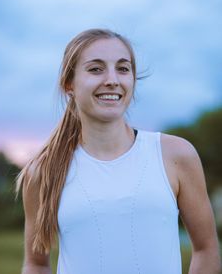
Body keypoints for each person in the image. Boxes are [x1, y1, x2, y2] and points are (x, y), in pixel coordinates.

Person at [17, 28, 221, 274]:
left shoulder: (176, 155)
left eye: (123, 68)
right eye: (96, 69)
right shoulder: (43, 171)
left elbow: (206, 249)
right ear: (69, 84)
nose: (112, 79)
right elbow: (36, 264)